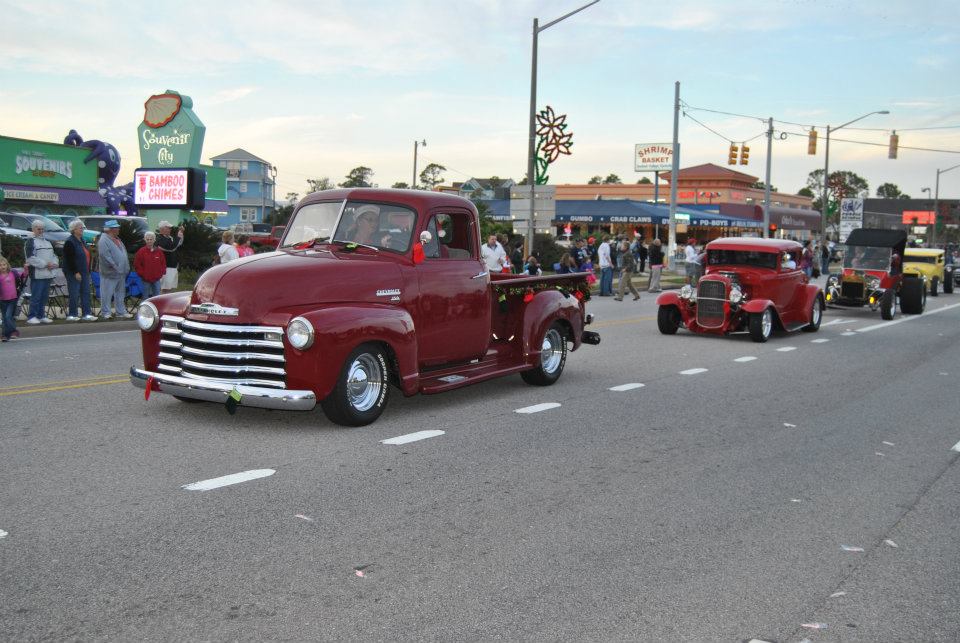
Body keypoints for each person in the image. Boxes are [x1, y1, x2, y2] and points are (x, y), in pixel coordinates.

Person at [24, 219, 58, 324]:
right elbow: (30, 258)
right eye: (39, 229)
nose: (41, 231)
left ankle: (41, 315)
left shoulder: (47, 242)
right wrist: (45, 264)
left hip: (48, 274)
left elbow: (54, 255)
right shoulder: (30, 241)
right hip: (37, 274)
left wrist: (54, 263)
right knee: (36, 296)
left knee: (44, 297)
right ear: (34, 229)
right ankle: (31, 316)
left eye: (42, 229)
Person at [97, 220, 132, 319]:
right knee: (107, 293)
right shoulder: (104, 240)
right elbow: (105, 255)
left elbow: (123, 254)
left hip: (121, 272)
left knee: (120, 293)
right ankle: (106, 312)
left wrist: (126, 267)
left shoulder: (117, 239)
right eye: (116, 228)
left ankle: (121, 312)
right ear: (110, 230)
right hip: (110, 272)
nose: (118, 229)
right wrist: (114, 266)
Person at [62, 219, 96, 321]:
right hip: (74, 272)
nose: (82, 229)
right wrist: (75, 272)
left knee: (85, 292)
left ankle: (87, 314)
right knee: (74, 293)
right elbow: (69, 259)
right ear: (74, 229)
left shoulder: (82, 240)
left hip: (85, 271)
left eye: (82, 227)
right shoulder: (69, 242)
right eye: (80, 228)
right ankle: (72, 314)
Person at [134, 231, 167, 299]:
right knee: (145, 297)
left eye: (151, 239)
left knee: (157, 297)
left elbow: (163, 264)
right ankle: (144, 309)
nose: (149, 241)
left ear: (154, 240)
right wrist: (143, 274)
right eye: (147, 239)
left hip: (156, 279)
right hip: (145, 279)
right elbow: (137, 265)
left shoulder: (159, 252)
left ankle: (156, 309)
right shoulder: (141, 251)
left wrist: (160, 274)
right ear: (145, 240)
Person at [156, 220, 184, 293]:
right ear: (162, 229)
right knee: (164, 288)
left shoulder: (170, 238)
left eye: (170, 228)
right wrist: (178, 236)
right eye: (168, 227)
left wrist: (181, 233)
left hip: (172, 267)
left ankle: (167, 303)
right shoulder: (159, 239)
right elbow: (171, 248)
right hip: (165, 267)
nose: (170, 229)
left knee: (170, 288)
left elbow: (178, 244)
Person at [0, 257, 19, 341]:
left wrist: (26, 269)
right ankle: (5, 335)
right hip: (2, 299)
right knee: (4, 318)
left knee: (8, 316)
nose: (2, 267)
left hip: (12, 299)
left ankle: (14, 331)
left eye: (4, 265)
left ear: (7, 265)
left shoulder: (12, 273)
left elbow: (22, 276)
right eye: (0, 265)